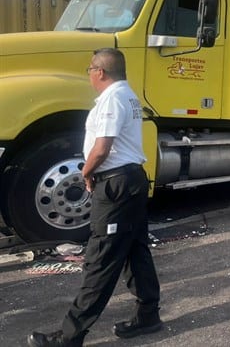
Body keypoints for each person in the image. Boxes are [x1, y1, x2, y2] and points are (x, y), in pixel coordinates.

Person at [28, 48, 161, 347]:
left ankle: (70, 336)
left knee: (101, 259)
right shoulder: (126, 95)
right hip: (129, 182)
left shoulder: (113, 98)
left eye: (90, 69)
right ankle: (148, 316)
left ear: (100, 71)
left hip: (115, 187)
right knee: (135, 251)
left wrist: (86, 173)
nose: (89, 74)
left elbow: (102, 148)